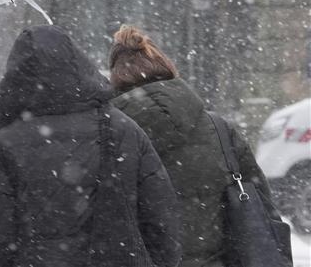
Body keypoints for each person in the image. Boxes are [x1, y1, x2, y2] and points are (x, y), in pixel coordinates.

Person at [0, 25, 181, 267]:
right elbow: (161, 217)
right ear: (77, 62)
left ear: (15, 76)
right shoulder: (123, 129)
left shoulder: (6, 144)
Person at [109, 25, 281, 267]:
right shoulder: (220, 130)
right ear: (167, 68)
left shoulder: (111, 137)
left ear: (116, 79)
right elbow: (263, 207)